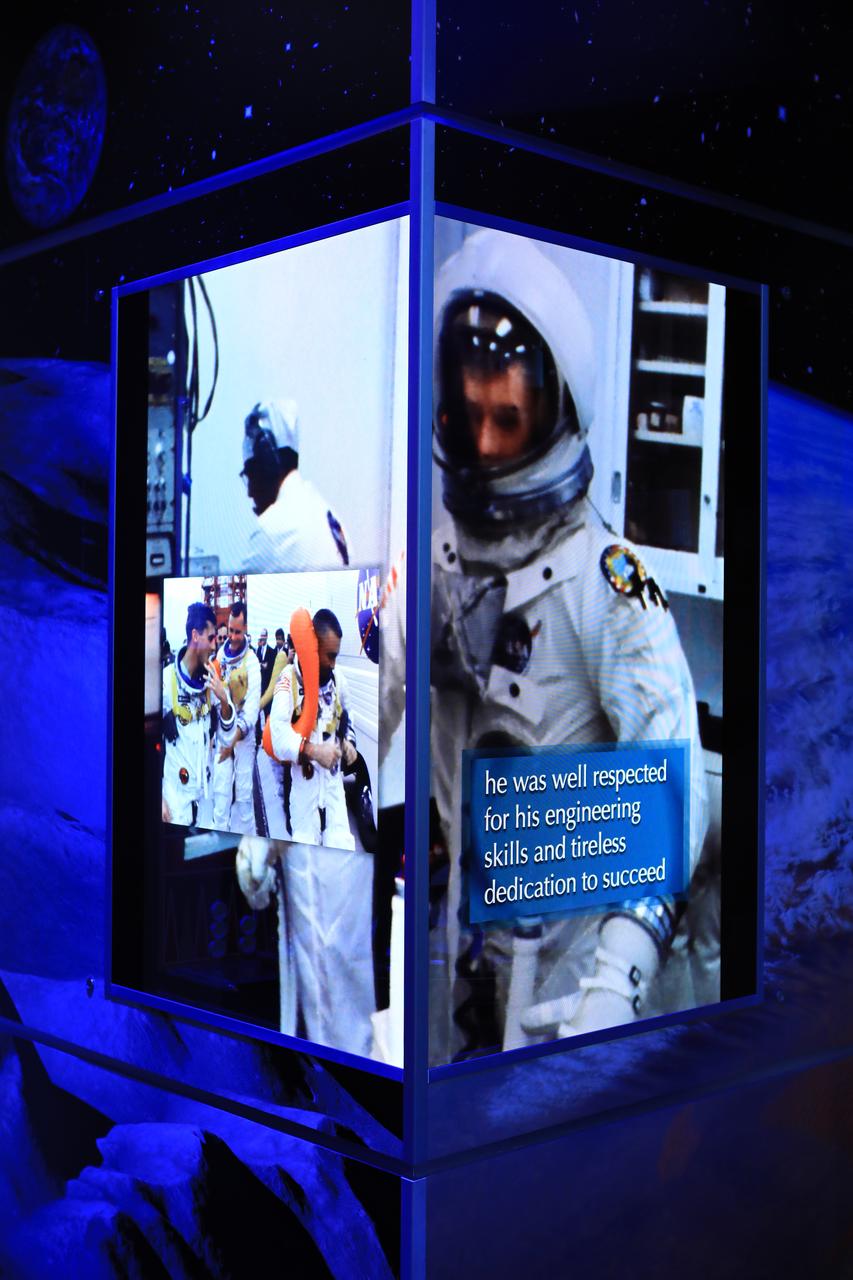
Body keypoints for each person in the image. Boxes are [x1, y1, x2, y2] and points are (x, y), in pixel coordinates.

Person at [381, 228, 708, 1061]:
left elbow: (671, 787)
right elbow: (370, 695)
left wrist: (616, 984)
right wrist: (285, 815)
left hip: (570, 983)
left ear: (556, 414)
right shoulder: (436, 564)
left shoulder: (607, 583)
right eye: (471, 418)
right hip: (457, 946)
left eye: (509, 420)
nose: (486, 448)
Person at [262, 608, 374, 1056]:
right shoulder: (291, 680)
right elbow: (278, 737)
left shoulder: (339, 681)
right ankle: (317, 1039)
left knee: (345, 910)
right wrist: (312, 748)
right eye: (326, 656)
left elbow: (343, 727)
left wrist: (344, 749)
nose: (331, 664)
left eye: (335, 656)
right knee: (311, 924)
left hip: (334, 804)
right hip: (305, 803)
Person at [240, 399, 350, 572]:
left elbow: (231, 598)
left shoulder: (275, 529)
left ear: (267, 465)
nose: (250, 492)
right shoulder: (329, 516)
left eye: (250, 475)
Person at [162, 602, 234, 827]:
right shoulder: (165, 682)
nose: (215, 646)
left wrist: (224, 700)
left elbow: (226, 738)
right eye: (211, 638)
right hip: (174, 800)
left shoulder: (212, 683)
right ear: (195, 635)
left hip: (205, 798)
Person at [212, 601, 261, 834]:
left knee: (243, 795)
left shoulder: (251, 662)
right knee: (221, 791)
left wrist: (233, 741)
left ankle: (251, 841)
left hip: (244, 737)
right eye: (230, 630)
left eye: (237, 631)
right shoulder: (221, 655)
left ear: (246, 628)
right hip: (225, 729)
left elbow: (251, 712)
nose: (232, 636)